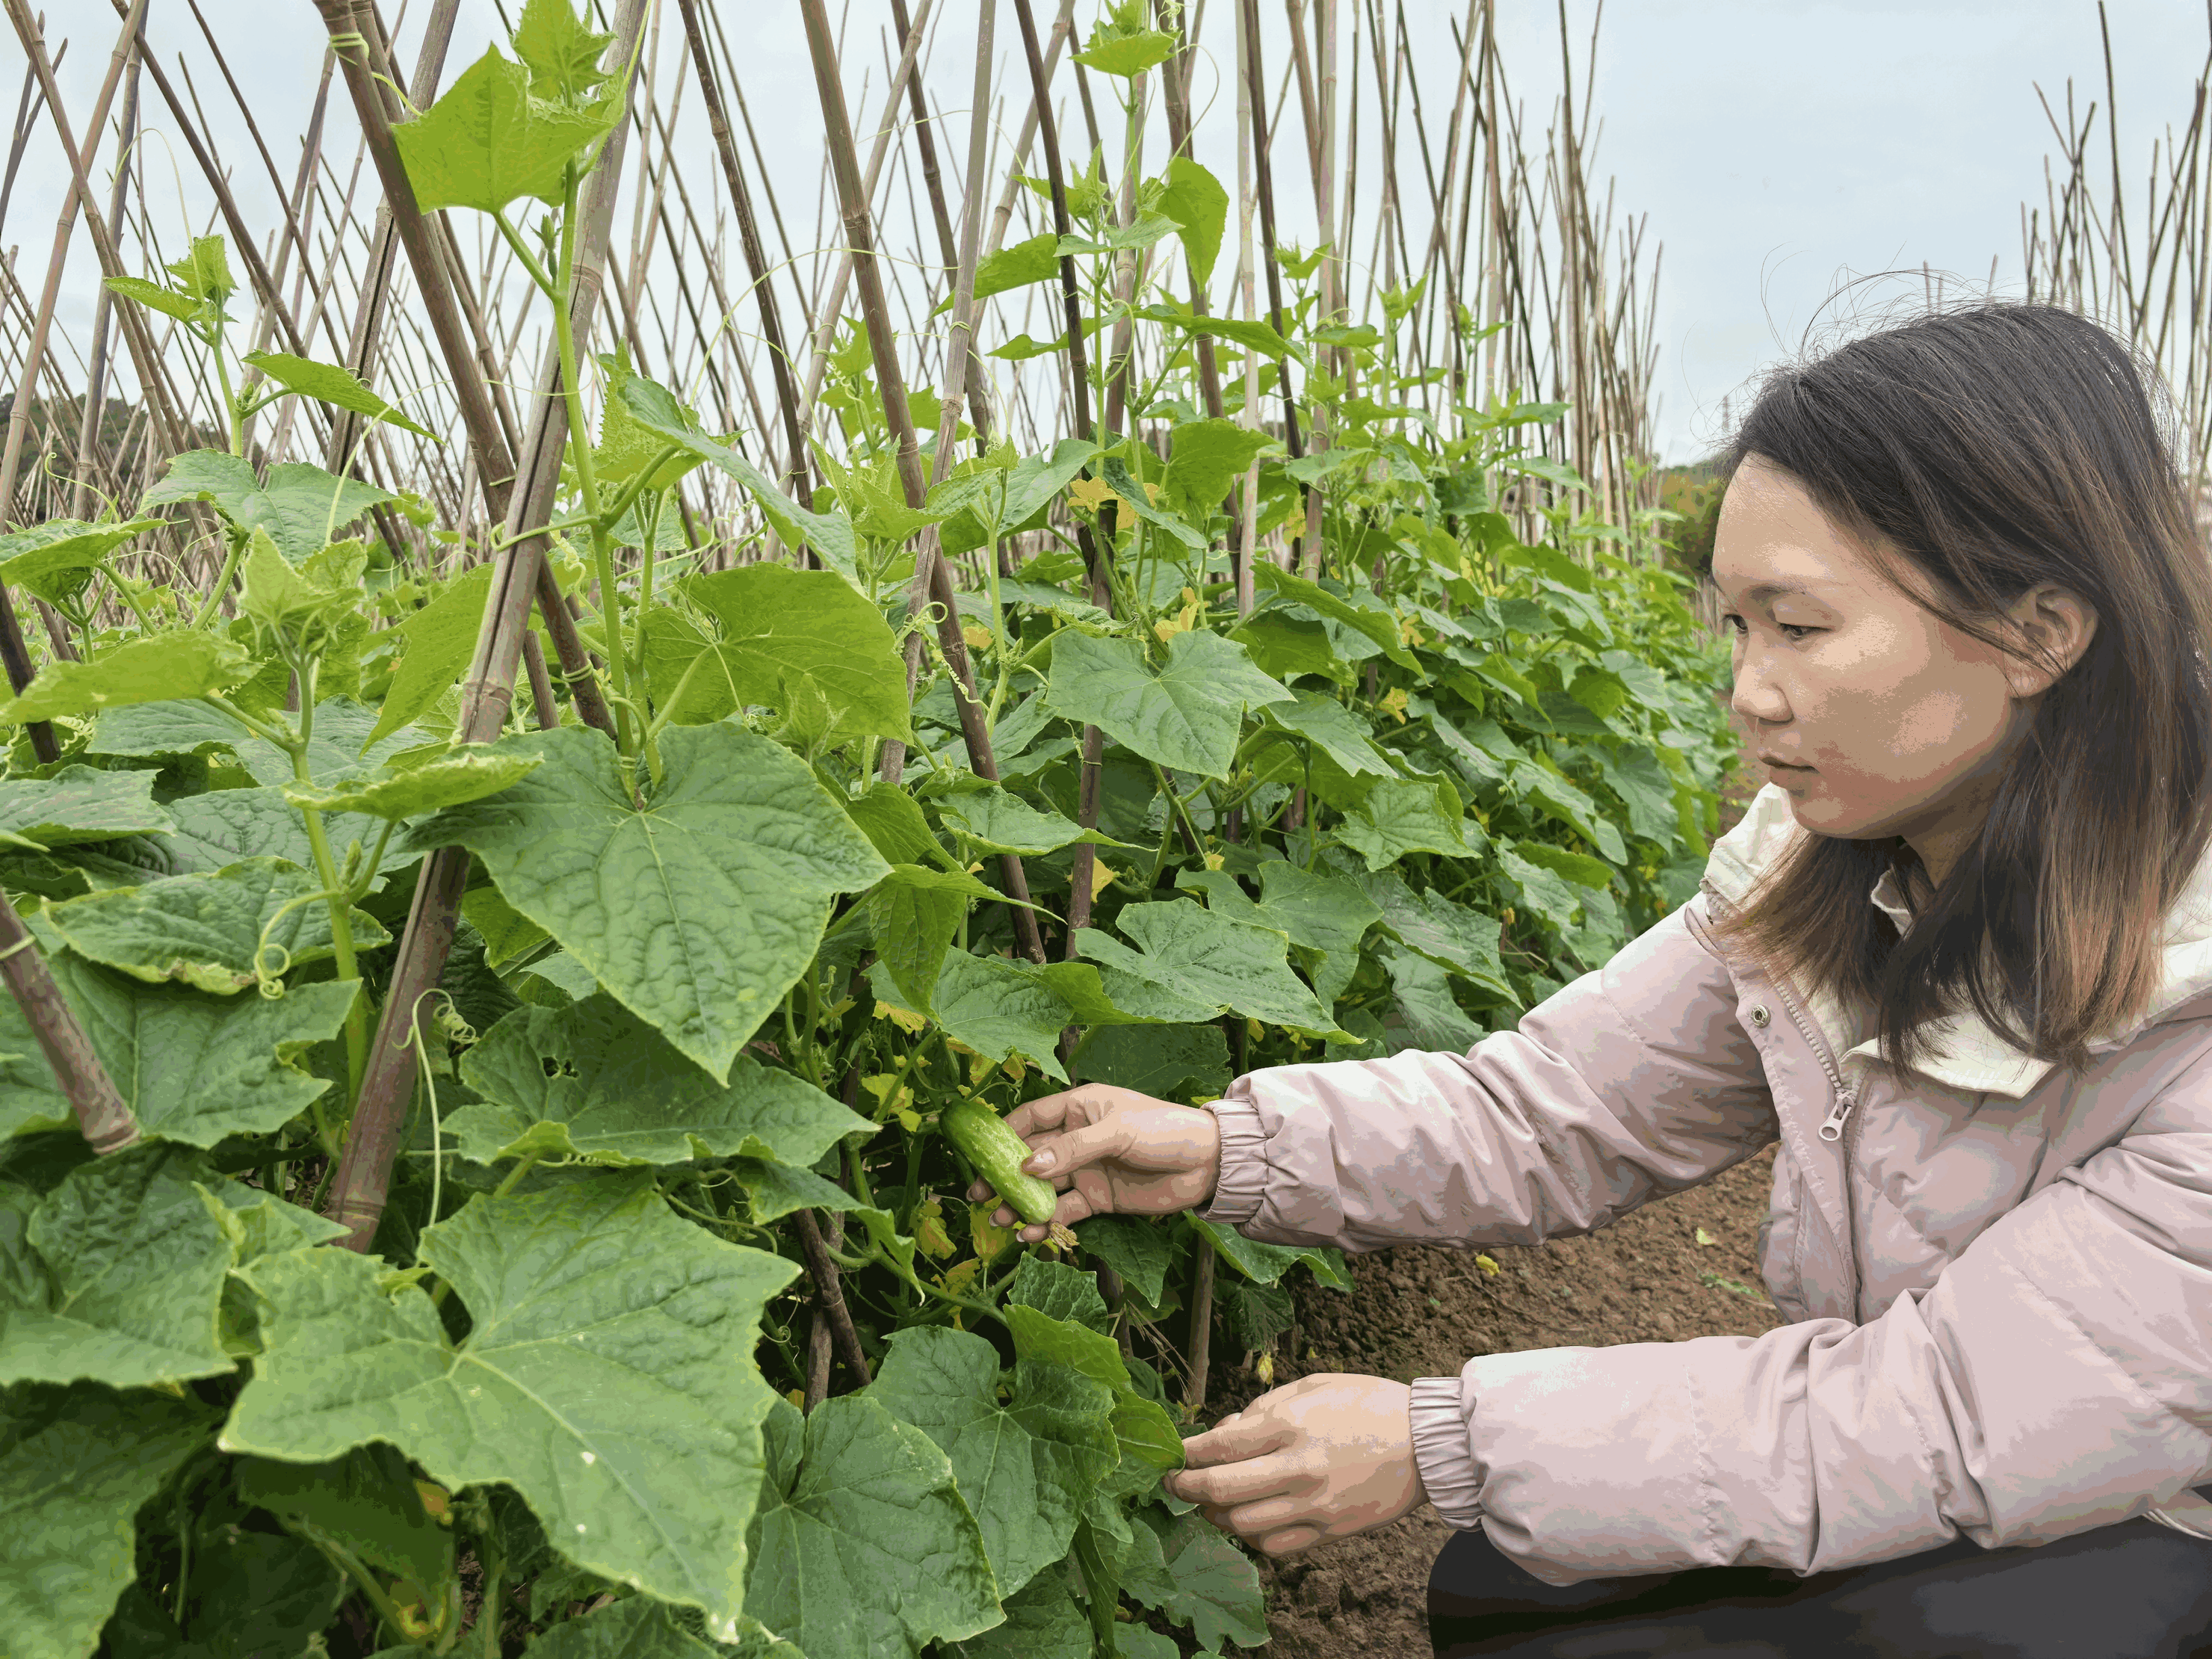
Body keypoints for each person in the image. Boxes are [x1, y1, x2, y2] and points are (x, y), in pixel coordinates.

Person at [968, 302, 2212, 1658]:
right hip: (1944, 1452)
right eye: (1736, 627)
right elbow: (1559, 1107)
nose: (1749, 692)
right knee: (1504, 1589)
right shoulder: (1837, 873)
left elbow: (1945, 1416)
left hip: (2151, 1515)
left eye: (1800, 627)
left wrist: (1445, 1439)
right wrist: (1227, 1149)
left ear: (2039, 632)